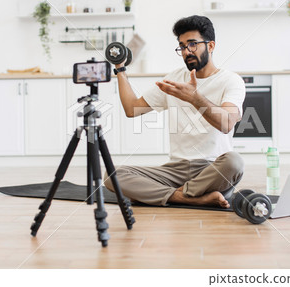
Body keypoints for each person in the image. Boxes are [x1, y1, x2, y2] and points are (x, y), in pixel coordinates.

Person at [105, 15, 246, 208]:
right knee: (112, 175)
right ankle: (190, 197)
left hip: (213, 169)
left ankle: (172, 195)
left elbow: (226, 123)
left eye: (192, 44)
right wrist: (120, 68)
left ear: (211, 46)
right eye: (181, 46)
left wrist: (195, 98)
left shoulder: (230, 81)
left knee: (234, 161)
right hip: (175, 170)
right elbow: (132, 109)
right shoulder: (174, 79)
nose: (187, 51)